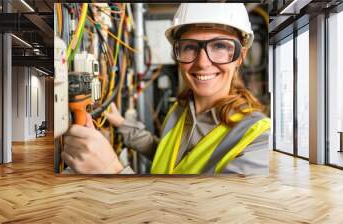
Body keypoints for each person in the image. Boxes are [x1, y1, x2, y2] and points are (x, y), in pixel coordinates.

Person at [62, 3, 271, 175]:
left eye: (219, 46)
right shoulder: (181, 108)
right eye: (190, 47)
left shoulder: (258, 138)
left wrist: (113, 171)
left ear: (240, 57)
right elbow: (165, 155)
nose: (203, 63)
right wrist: (122, 124)